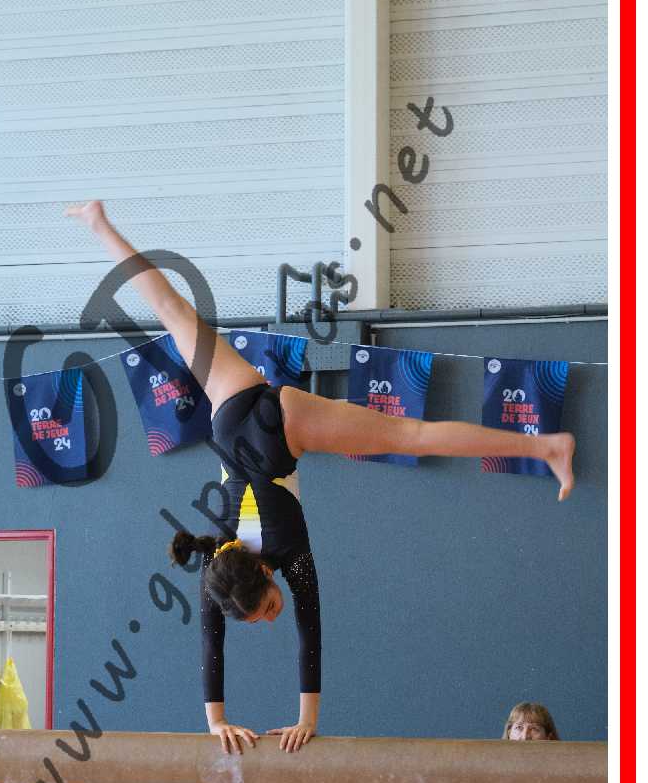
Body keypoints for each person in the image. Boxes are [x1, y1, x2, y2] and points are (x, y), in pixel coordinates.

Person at [66, 201, 577, 755]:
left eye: (265, 608)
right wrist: (216, 721)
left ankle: (546, 446)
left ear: (266, 574)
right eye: (263, 617)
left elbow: (309, 631)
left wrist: (304, 718)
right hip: (233, 415)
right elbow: (215, 640)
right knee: (170, 311)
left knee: (413, 436)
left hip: (279, 433)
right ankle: (99, 224)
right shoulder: (220, 569)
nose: (270, 619)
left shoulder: (289, 553)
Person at [465, 701, 593, 783]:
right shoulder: (494, 769)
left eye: (534, 729)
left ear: (548, 737)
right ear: (509, 733)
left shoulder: (563, 772)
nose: (525, 736)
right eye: (519, 727)